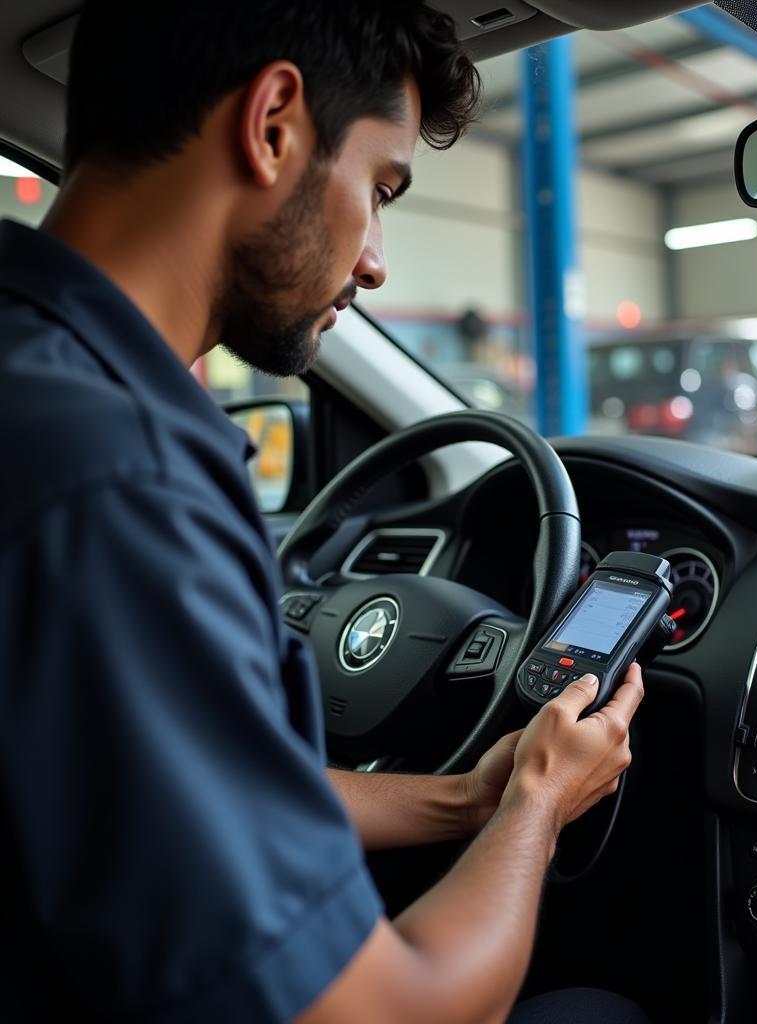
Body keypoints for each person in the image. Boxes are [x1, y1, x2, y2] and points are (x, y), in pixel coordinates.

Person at [0, 3, 649, 1023]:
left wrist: (467, 797)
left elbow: (197, 797)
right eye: (380, 188)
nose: (377, 259)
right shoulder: (122, 481)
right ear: (272, 124)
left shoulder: (36, 380)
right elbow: (385, 1010)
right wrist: (536, 807)